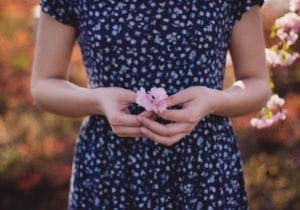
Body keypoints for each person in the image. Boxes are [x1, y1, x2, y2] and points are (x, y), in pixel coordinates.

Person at [31, 0, 271, 209]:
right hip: (111, 166)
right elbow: (44, 84)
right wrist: (97, 101)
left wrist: (214, 101)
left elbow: (257, 83)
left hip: (203, 166)